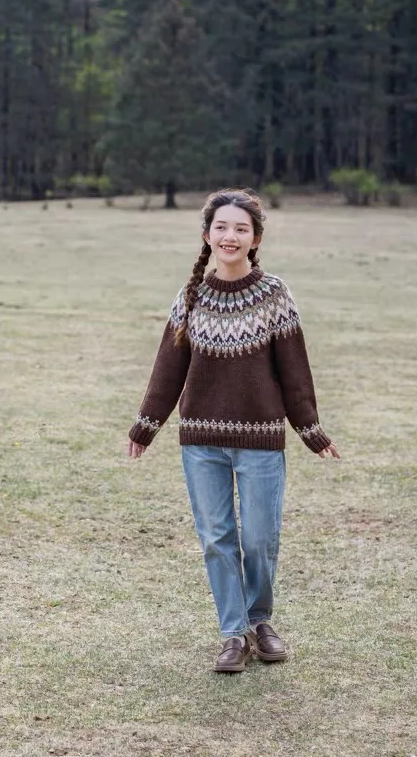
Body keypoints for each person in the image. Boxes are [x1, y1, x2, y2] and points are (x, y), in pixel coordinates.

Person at [127, 187, 340, 673]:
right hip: (200, 440)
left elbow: (294, 370)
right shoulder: (191, 297)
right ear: (207, 235)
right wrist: (146, 425)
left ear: (255, 238)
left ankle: (260, 620)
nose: (230, 235)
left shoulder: (273, 295)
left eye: (241, 228)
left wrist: (310, 429)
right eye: (221, 227)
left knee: (259, 538)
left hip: (261, 440)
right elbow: (168, 368)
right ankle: (233, 633)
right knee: (216, 537)